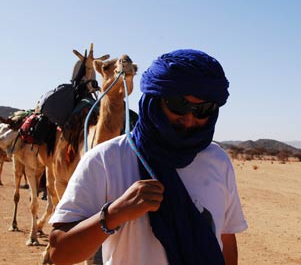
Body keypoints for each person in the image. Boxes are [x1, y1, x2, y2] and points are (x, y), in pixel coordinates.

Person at [48, 49, 248, 265]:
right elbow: (59, 252)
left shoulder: (217, 160)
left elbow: (225, 239)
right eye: (179, 105)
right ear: (155, 100)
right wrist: (114, 214)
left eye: (203, 109)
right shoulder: (105, 159)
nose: (189, 118)